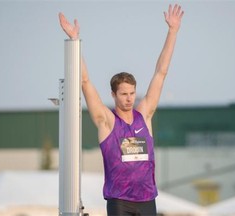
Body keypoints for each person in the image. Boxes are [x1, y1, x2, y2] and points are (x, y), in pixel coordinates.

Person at [59, 3, 184, 216]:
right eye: (124, 94)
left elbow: (160, 73)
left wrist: (172, 31)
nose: (129, 99)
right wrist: (74, 41)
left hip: (147, 200)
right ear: (114, 95)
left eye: (132, 93)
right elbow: (86, 82)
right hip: (120, 202)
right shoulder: (107, 121)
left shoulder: (144, 115)